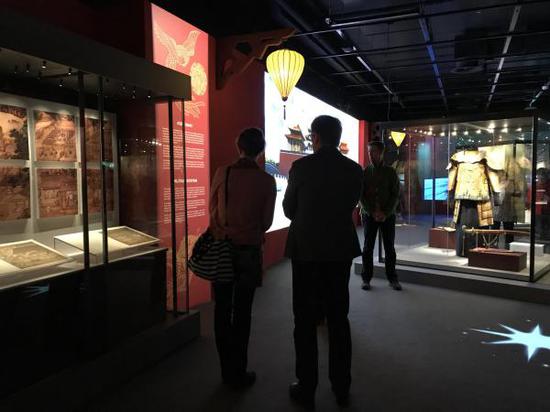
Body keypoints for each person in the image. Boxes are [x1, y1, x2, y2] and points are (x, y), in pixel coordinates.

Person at [283, 115, 363, 409]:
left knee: (304, 320)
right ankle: (341, 386)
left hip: (306, 250)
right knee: (338, 318)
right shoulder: (354, 170)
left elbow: (289, 209)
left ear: (314, 137)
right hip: (339, 250)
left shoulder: (301, 167)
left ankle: (307, 387)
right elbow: (350, 205)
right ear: (337, 137)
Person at [209, 128, 276, 388]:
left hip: (223, 248)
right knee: (243, 311)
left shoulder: (222, 173)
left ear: (239, 146)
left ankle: (225, 370)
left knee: (222, 308)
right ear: (260, 151)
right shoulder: (266, 181)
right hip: (249, 251)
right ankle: (239, 370)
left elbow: (213, 211)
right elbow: (266, 222)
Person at [360, 140, 402, 291]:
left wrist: (386, 212)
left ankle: (393, 278)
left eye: (374, 152)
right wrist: (371, 212)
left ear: (381, 153)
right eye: (369, 152)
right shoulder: (365, 172)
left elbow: (395, 195)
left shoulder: (390, 172)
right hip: (369, 215)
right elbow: (361, 196)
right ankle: (366, 279)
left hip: (387, 216)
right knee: (367, 247)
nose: (370, 155)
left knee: (389, 248)